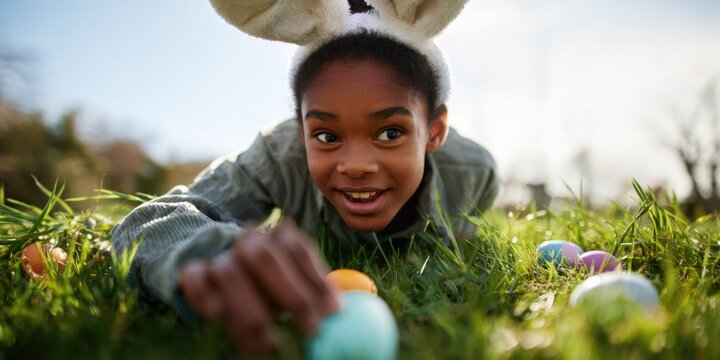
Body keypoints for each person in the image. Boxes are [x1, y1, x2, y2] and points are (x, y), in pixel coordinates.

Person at [111, 0, 498, 355]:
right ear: (300, 132)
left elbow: (465, 228)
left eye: (390, 133)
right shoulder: (277, 156)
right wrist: (208, 253)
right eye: (327, 137)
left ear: (434, 131)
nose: (356, 165)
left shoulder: (474, 174)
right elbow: (150, 220)